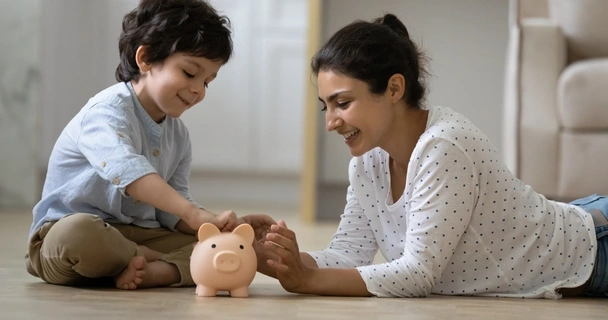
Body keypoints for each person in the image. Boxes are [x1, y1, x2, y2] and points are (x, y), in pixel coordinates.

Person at [256, 13, 608, 299]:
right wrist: (264, 255)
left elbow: (417, 274)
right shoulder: (367, 164)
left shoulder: (445, 146)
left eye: (343, 103)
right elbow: (346, 256)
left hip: (597, 248)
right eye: (326, 107)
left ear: (394, 88)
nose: (331, 122)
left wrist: (305, 281)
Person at [25, 0, 275, 290]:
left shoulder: (179, 136)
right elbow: (129, 172)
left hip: (142, 233)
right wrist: (194, 214)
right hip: (68, 238)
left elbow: (171, 211)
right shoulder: (105, 112)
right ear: (145, 59)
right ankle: (153, 260)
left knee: (223, 247)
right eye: (190, 73)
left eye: (207, 82)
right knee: (77, 233)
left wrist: (217, 226)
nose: (197, 90)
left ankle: (152, 272)